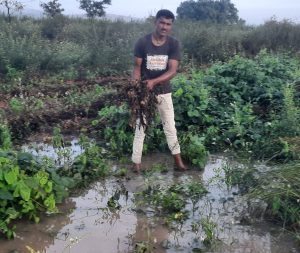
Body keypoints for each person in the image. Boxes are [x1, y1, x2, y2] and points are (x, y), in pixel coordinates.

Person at [131, 9, 187, 172]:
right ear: (155, 22)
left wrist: (154, 82)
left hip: (164, 91)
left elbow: (172, 71)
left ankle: (179, 162)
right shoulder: (142, 42)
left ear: (171, 26)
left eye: (168, 24)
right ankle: (136, 164)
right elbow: (136, 68)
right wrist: (136, 88)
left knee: (170, 127)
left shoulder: (173, 44)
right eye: (162, 22)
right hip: (144, 92)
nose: (165, 27)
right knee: (140, 127)